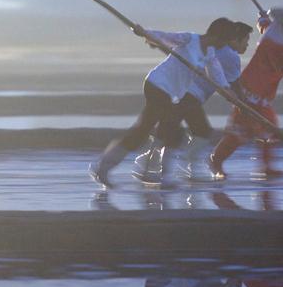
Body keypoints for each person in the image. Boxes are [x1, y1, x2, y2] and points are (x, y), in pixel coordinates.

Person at [89, 18, 246, 189]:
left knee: (155, 130)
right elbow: (164, 37)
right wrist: (144, 33)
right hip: (157, 85)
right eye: (224, 42)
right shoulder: (189, 39)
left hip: (170, 93)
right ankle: (151, 174)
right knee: (161, 130)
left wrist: (235, 99)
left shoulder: (210, 54)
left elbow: (220, 81)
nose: (224, 47)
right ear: (218, 38)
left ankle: (118, 168)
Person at [209, 1, 283, 179]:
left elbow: (266, 30)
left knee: (250, 129)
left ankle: (259, 165)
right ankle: (220, 161)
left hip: (254, 88)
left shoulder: (275, 34)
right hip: (255, 90)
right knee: (261, 127)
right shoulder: (281, 47)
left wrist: (263, 21)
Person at [133, 23, 252, 182]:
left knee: (170, 128)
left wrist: (148, 36)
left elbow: (222, 81)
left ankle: (151, 163)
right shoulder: (230, 56)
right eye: (245, 40)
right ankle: (182, 166)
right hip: (191, 95)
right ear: (234, 40)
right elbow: (233, 84)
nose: (247, 44)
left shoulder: (213, 50)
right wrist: (242, 103)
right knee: (200, 131)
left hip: (184, 93)